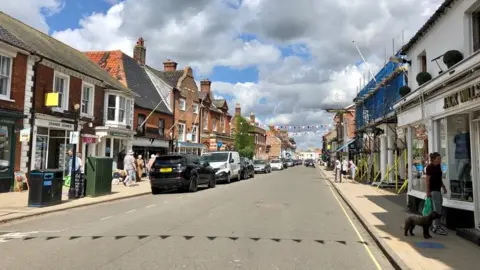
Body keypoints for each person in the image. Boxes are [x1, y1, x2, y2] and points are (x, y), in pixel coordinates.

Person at [425, 152, 448, 235]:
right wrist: (428, 191)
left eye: (440, 158)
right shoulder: (430, 167)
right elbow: (427, 180)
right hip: (433, 190)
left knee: (437, 208)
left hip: (438, 189)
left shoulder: (438, 166)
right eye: (438, 159)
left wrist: (443, 186)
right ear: (433, 159)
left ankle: (433, 226)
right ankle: (436, 226)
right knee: (437, 209)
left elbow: (439, 178)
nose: (440, 160)